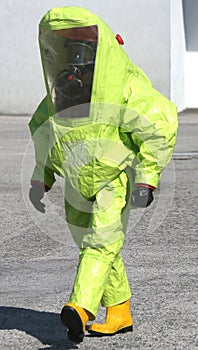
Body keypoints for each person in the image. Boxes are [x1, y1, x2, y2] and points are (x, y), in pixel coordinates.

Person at [29, 6, 178, 343]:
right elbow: (44, 129)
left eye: (84, 51)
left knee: (100, 244)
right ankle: (120, 313)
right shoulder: (63, 93)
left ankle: (80, 308)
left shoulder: (121, 87)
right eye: (72, 51)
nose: (78, 61)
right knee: (94, 245)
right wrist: (42, 177)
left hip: (114, 178)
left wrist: (147, 177)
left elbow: (160, 122)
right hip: (76, 182)